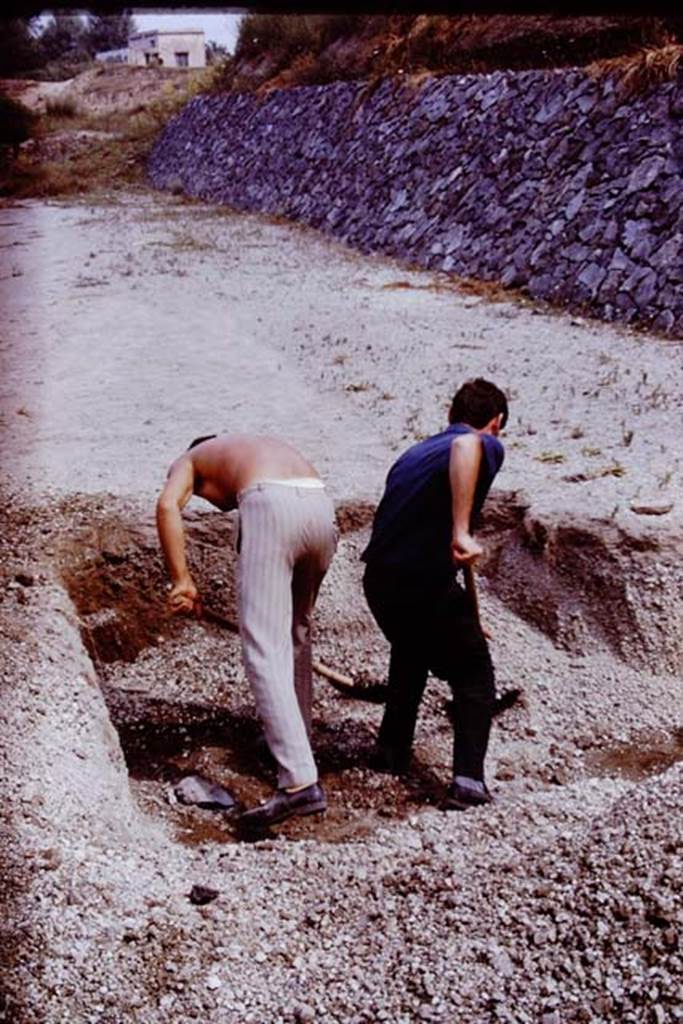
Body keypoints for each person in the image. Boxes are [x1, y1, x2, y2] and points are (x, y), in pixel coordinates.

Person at [156, 433, 338, 828]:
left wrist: (181, 579)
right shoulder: (252, 449)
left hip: (272, 505)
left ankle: (299, 784)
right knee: (295, 634)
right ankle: (295, 742)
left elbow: (167, 504)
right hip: (321, 506)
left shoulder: (189, 458)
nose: (212, 503)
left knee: (263, 648)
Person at [361, 378, 508, 810]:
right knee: (475, 674)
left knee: (411, 653)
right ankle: (467, 784)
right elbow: (469, 448)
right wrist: (462, 531)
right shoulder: (480, 443)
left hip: (380, 584)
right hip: (419, 582)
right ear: (495, 422)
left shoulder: (414, 454)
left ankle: (390, 753)